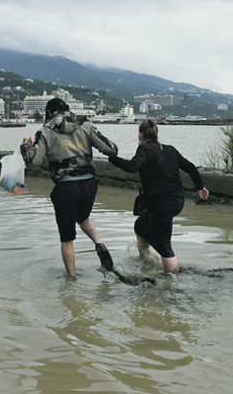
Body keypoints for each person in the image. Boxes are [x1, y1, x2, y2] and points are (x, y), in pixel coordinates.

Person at [20, 98, 118, 277]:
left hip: (65, 188)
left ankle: (71, 282)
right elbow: (111, 149)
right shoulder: (85, 124)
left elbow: (33, 161)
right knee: (83, 216)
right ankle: (98, 243)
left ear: (49, 112)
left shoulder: (45, 130)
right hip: (89, 184)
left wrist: (25, 147)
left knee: (67, 239)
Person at [108, 119, 209, 273]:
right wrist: (200, 187)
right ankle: (145, 260)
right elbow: (190, 168)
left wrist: (112, 157)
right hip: (177, 199)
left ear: (139, 135)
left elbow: (132, 167)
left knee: (164, 245)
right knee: (141, 225)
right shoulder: (170, 150)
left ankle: (172, 281)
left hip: (163, 203)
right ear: (156, 134)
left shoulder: (144, 150)